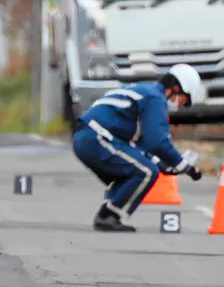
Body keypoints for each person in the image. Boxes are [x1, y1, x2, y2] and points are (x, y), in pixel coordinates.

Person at [72, 64, 206, 232]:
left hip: (88, 137)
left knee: (134, 169)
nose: (180, 106)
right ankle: (109, 215)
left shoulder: (145, 91)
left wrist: (164, 165)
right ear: (176, 88)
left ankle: (108, 212)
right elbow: (157, 141)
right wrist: (185, 167)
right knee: (146, 172)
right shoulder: (156, 99)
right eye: (184, 100)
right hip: (96, 138)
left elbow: (140, 145)